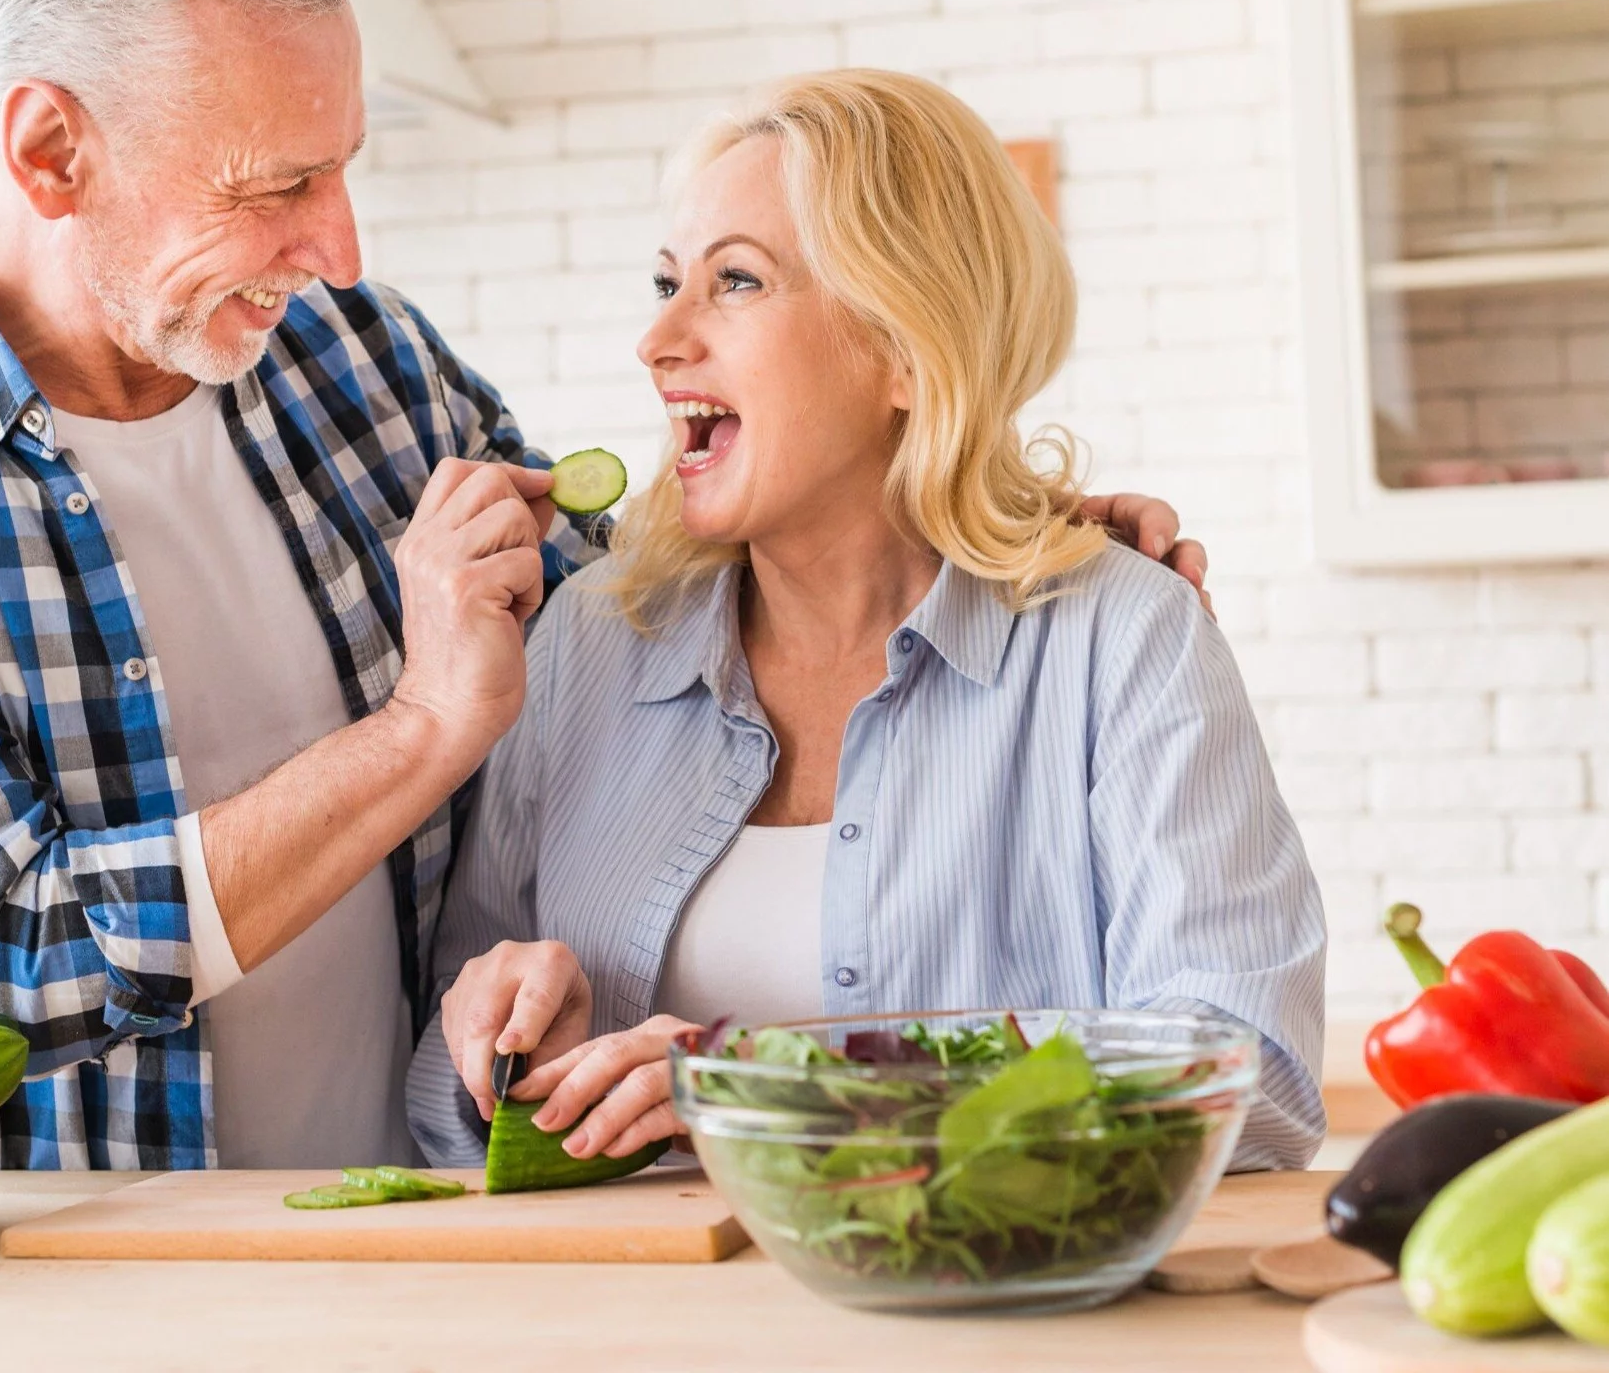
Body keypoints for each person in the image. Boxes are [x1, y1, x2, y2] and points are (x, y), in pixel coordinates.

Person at [0, 0, 1208, 1171]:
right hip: (56, 1278)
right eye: (274, 186)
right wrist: (421, 732)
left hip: (399, 1223)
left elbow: (651, 615)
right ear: (51, 147)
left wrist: (1006, 534)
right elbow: (6, 964)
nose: (336, 249)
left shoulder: (359, 363)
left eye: (340, 171)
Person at [407, 69, 1325, 1176]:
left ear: (903, 344)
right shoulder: (590, 643)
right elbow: (439, 1103)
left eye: (734, 280)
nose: (658, 339)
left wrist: (799, 1091)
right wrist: (505, 1056)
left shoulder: (1121, 638)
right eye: (665, 282)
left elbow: (1246, 1071)